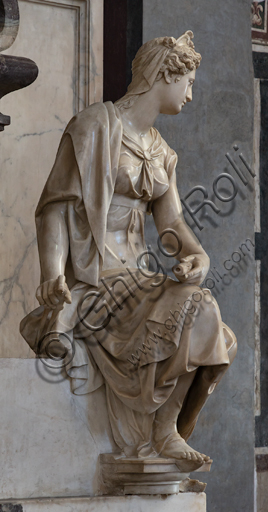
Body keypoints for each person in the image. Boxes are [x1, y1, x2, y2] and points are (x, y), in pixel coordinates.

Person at [20, 30, 237, 464]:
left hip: (141, 276)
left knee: (212, 324)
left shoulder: (162, 152)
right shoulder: (94, 127)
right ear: (163, 74)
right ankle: (162, 433)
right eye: (188, 82)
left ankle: (166, 429)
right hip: (99, 278)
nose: (190, 95)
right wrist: (51, 274)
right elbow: (56, 208)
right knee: (201, 310)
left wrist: (199, 255)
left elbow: (171, 223)